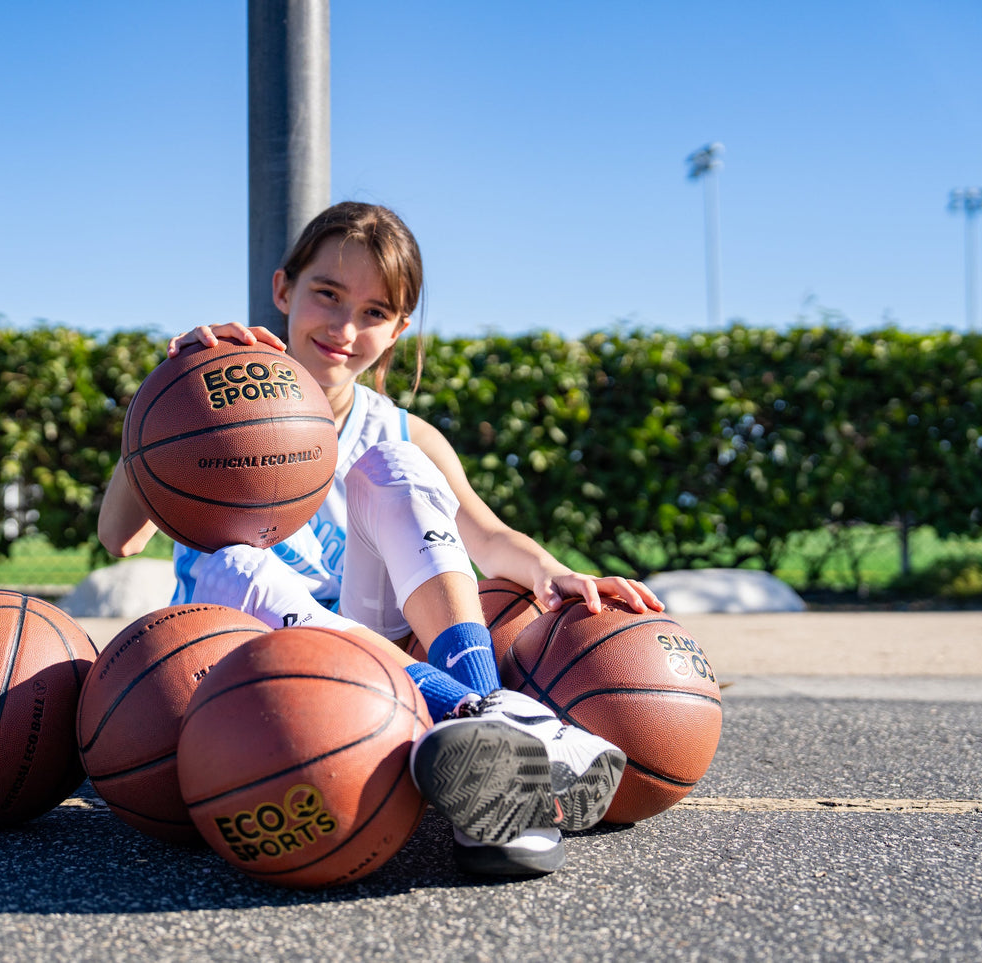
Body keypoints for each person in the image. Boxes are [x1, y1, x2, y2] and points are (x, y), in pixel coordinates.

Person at [98, 201, 664, 876]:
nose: (343, 327)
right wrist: (169, 398)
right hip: (246, 661)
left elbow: (482, 533)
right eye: (327, 295)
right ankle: (498, 720)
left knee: (396, 468)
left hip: (374, 675)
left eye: (373, 312)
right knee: (236, 564)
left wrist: (552, 572)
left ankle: (481, 724)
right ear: (284, 289)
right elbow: (118, 538)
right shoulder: (210, 406)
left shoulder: (398, 429)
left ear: (397, 330)